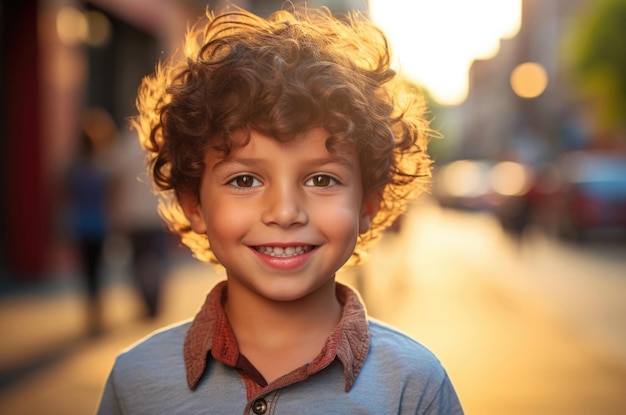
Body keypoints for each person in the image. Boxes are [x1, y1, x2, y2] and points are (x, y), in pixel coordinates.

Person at [98, 6, 464, 414]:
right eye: (244, 181)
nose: (285, 212)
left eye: (321, 180)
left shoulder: (414, 385)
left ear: (367, 204)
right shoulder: (135, 382)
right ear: (193, 205)